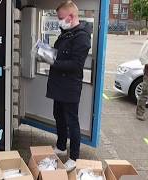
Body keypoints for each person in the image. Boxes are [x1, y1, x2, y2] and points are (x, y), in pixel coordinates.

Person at [38, 0, 92, 171]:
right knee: (58, 116)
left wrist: (52, 61)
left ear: (71, 16)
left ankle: (74, 157)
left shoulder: (82, 36)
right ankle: (61, 146)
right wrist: (45, 51)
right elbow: (59, 54)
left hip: (70, 87)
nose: (59, 20)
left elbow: (76, 65)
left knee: (72, 121)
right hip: (58, 84)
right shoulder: (66, 32)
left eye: (61, 17)